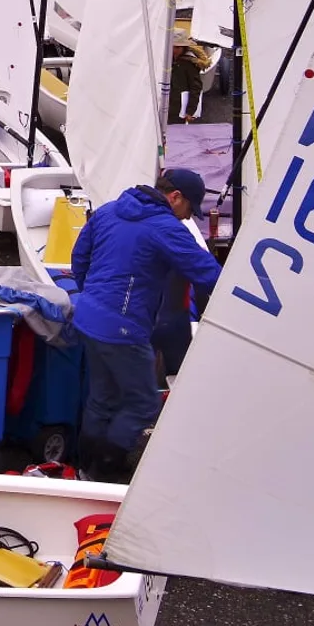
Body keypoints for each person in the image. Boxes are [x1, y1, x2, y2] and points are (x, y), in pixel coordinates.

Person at [69, 167, 222, 480]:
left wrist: (94, 302)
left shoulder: (108, 210)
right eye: (189, 210)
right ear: (175, 196)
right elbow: (207, 273)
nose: (186, 219)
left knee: (102, 397)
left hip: (87, 317)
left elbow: (79, 258)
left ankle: (85, 467)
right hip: (122, 329)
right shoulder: (165, 227)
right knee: (143, 403)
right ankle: (107, 472)